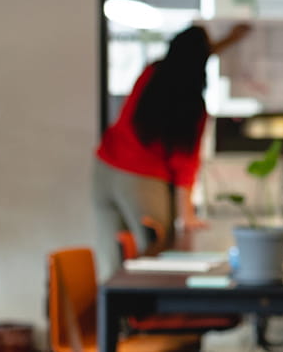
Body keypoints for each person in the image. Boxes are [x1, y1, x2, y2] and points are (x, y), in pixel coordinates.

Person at [93, 23, 250, 274]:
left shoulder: (151, 72)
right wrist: (186, 215)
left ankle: (114, 313)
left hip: (104, 169)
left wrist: (230, 39)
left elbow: (190, 55)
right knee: (158, 255)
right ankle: (148, 314)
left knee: (112, 261)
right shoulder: (192, 105)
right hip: (141, 178)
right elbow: (184, 164)